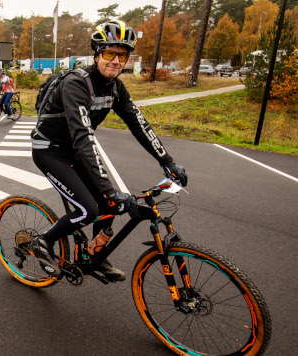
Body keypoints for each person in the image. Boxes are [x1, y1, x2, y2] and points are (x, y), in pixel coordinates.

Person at [29, 21, 188, 281]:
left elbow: (139, 125)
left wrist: (168, 162)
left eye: (122, 55)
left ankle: (94, 256)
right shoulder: (76, 84)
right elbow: (83, 137)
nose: (115, 61)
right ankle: (42, 242)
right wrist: (107, 188)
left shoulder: (116, 88)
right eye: (109, 53)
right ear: (97, 54)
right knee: (87, 210)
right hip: (50, 150)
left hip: (74, 150)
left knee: (111, 205)